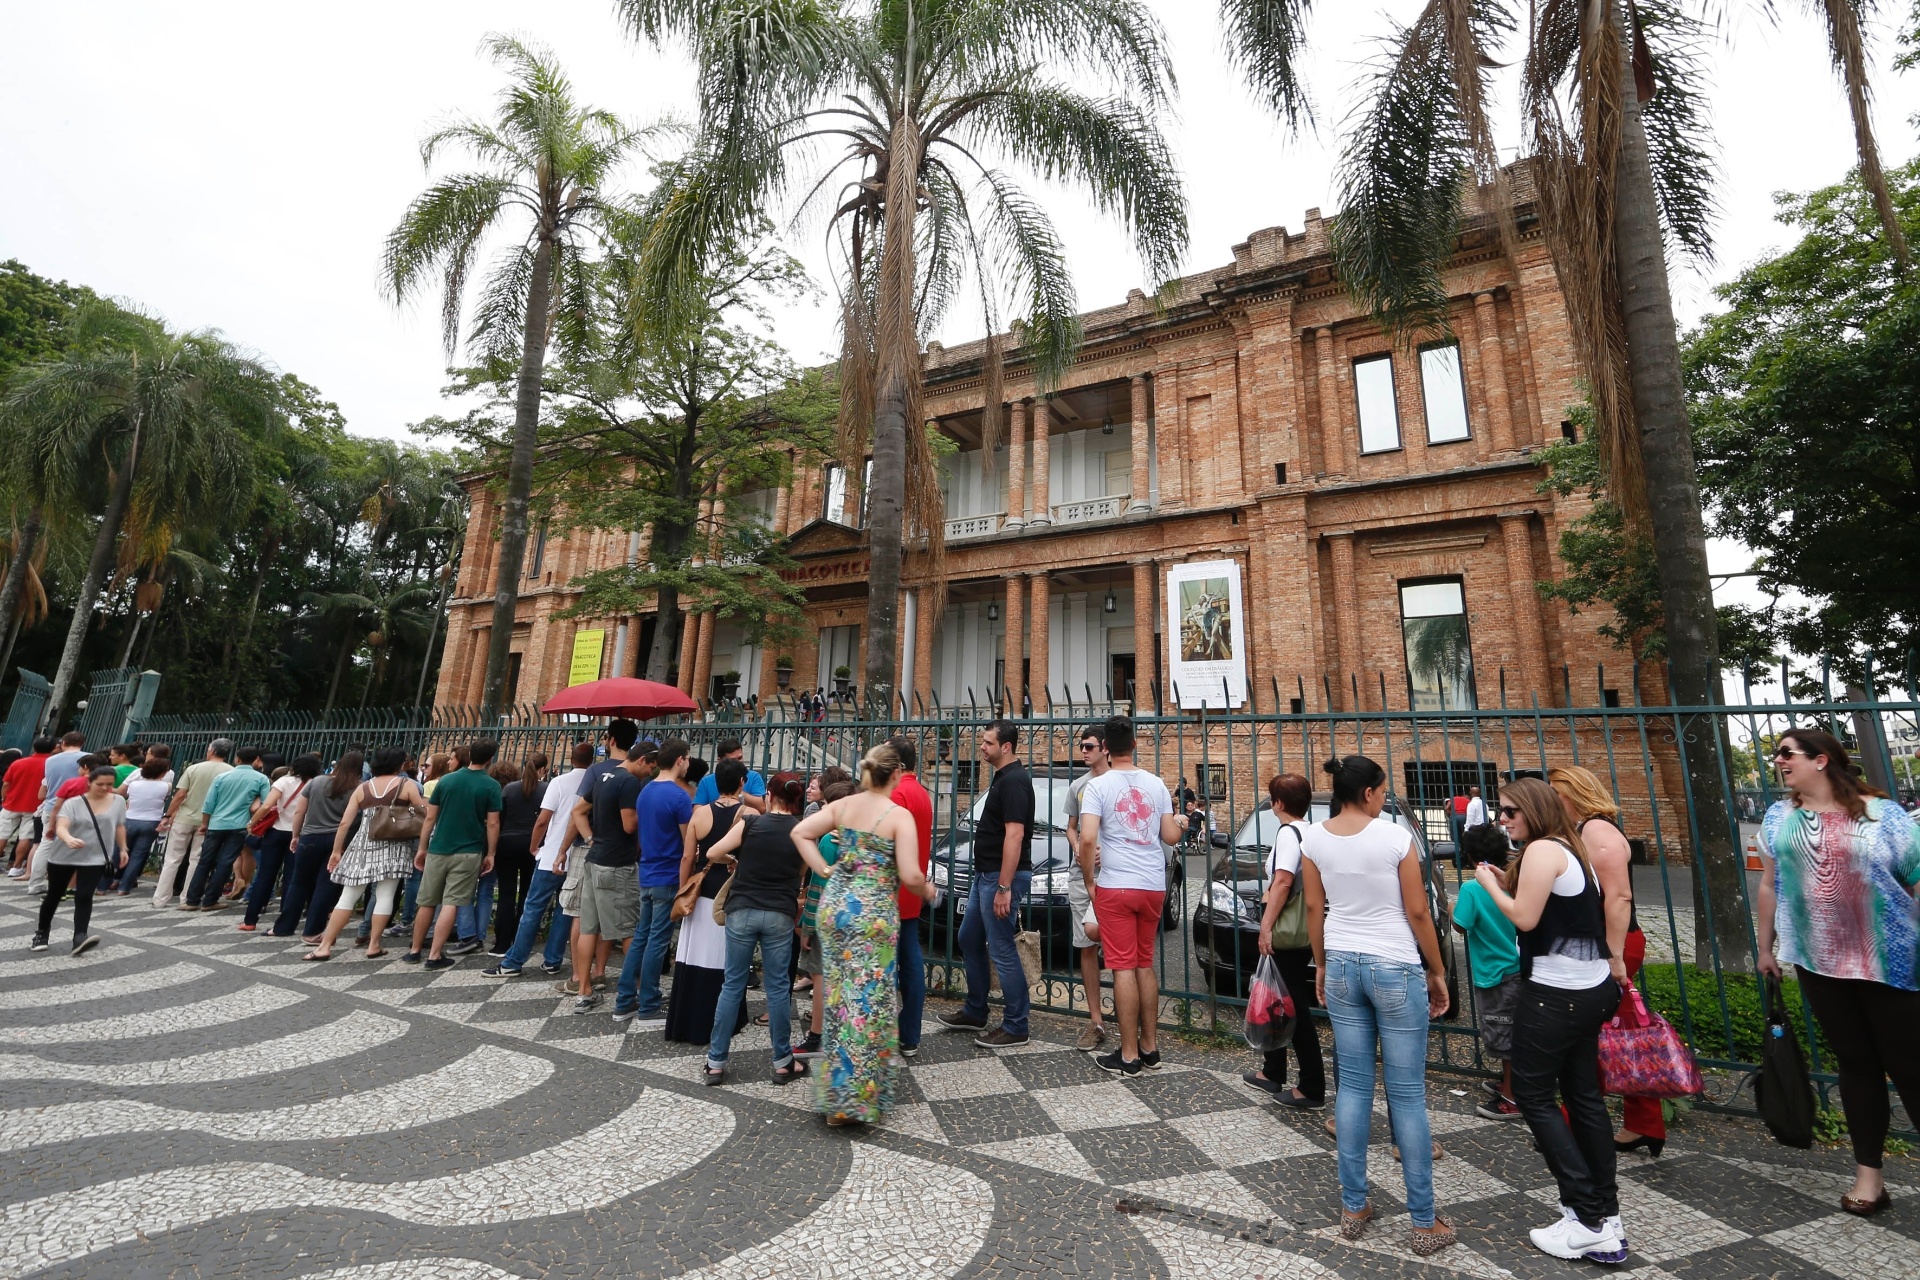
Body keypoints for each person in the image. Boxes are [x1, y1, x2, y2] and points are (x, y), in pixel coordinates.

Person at [1756, 727, 1920, 1218]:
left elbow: (1916, 880)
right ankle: (1870, 1177)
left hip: (1891, 961)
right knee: (1856, 1065)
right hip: (1819, 960)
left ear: (1821, 759)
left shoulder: (1882, 814)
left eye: (1786, 753)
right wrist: (1765, 947)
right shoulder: (1779, 817)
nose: (1778, 761)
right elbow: (1769, 885)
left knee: (1912, 1069)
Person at [1303, 754, 1455, 1256]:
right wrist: (1437, 969)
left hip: (1342, 963)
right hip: (1394, 964)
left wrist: (1321, 964)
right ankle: (1424, 1223)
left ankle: (1354, 1206)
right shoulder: (1394, 836)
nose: (1385, 798)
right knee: (1406, 1095)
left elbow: (1314, 906)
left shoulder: (1314, 838)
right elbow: (1418, 910)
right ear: (1368, 792)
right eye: (1383, 791)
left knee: (1352, 1086)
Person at [1475, 776, 1624, 1262]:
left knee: (1533, 1096)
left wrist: (1488, 885)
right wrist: (1505, 880)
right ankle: (1605, 1215)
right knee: (1584, 1098)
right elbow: (1555, 904)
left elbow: (1524, 918)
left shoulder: (1542, 849)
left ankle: (1587, 1217)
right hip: (1590, 987)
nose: (1502, 820)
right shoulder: (1569, 846)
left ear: (1534, 811)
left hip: (1556, 995)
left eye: (1509, 811)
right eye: (1500, 811)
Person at [792, 742, 933, 1125]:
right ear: (896, 773)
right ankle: (853, 1101)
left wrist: (825, 870)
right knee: (868, 1003)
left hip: (836, 908)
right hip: (872, 916)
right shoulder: (897, 815)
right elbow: (911, 875)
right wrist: (928, 890)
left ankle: (836, 1094)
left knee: (840, 999)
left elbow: (801, 833)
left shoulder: (844, 806)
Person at [1548, 765, 1651, 1153]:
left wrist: (1612, 955)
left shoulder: (1596, 830)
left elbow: (1619, 897)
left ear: (1573, 794)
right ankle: (1644, 1121)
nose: (1550, 800)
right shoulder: (1585, 829)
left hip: (1613, 945)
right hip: (1606, 943)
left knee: (1588, 1033)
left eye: (1555, 793)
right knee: (1619, 1031)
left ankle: (1574, 1121)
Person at [1079, 715, 1187, 1076]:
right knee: (1144, 963)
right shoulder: (1156, 784)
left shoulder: (1098, 786)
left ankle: (1128, 1055)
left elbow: (1087, 838)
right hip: (1152, 885)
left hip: (1117, 884)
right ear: (1135, 744)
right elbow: (1169, 836)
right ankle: (1150, 1048)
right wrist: (1181, 823)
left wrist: (1090, 880)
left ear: (1105, 747)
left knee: (1122, 966)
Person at [699, 771, 810, 1083]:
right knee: (777, 988)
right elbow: (801, 872)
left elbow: (712, 853)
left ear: (770, 796)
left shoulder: (750, 824)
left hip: (742, 908)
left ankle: (715, 1062)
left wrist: (736, 859)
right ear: (796, 800)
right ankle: (783, 1061)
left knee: (732, 984)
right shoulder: (802, 831)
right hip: (779, 913)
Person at [938, 719, 1036, 1048]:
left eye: (988, 742)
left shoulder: (1015, 782)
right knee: (968, 937)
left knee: (1002, 948)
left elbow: (1015, 835)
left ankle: (1016, 1025)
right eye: (982, 741)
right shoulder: (1002, 778)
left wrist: (1004, 887)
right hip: (986, 875)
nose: (981, 746)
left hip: (1000, 878)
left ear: (1006, 747)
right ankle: (976, 1011)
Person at [1244, 772, 1325, 1110]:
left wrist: (1266, 927)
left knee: (1292, 1005)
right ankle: (1272, 1070)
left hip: (1286, 930)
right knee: (1276, 997)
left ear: (1278, 803)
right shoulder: (1311, 831)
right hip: (1303, 928)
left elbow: (1282, 882)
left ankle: (1312, 1085)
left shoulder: (1288, 834)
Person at [304, 747, 424, 962]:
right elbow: (422, 813)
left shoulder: (363, 787)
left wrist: (336, 851)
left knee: (348, 896)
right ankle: (374, 944)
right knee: (385, 895)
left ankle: (324, 946)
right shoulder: (407, 785)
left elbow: (345, 823)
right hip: (395, 845)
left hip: (362, 844)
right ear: (400, 764)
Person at [486, 742, 592, 979]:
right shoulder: (594, 781)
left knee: (533, 907)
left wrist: (534, 846)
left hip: (552, 853)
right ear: (591, 761)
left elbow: (543, 820)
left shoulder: (559, 782)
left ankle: (514, 961)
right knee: (565, 909)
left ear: (571, 759)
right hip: (577, 857)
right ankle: (553, 959)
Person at [665, 758, 751, 1045]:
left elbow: (687, 857)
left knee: (694, 956)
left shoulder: (699, 814)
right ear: (742, 783)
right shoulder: (750, 814)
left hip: (701, 890)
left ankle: (687, 1019)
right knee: (725, 957)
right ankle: (724, 1019)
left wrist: (684, 889)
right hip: (732, 891)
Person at [570, 738, 655, 1012]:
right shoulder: (629, 782)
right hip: (617, 865)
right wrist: (650, 814)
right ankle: (637, 990)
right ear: (641, 760)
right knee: (628, 929)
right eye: (650, 767)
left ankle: (584, 991)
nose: (649, 773)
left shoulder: (604, 775)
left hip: (594, 860)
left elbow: (578, 811)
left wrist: (590, 838)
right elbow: (629, 825)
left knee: (589, 929)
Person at [612, 739, 693, 1022]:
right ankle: (648, 1003)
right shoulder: (679, 796)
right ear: (680, 760)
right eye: (687, 759)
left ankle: (625, 999)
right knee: (658, 941)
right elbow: (688, 842)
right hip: (668, 874)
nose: (688, 763)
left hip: (647, 871)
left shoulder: (645, 790)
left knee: (641, 937)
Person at [408, 739, 502, 969]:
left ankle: (414, 950)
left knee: (427, 901)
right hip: (468, 851)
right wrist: (491, 853)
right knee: (452, 901)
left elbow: (430, 817)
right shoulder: (491, 786)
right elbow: (492, 823)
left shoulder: (447, 780)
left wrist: (422, 848)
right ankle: (434, 955)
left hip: (439, 848)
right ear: (490, 759)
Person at [1452, 821, 1523, 1120]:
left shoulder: (1472, 888)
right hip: (1519, 967)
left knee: (1504, 1036)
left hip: (1494, 972)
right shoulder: (1514, 883)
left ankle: (1512, 1098)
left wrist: (1451, 909)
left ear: (1469, 856)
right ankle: (1510, 1083)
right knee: (1515, 1030)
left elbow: (1460, 925)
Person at [32, 765, 127, 955]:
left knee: (84, 895)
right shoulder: (73, 803)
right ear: (89, 782)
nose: (105, 788)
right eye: (100, 784)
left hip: (96, 856)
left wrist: (123, 848)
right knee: (54, 895)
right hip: (64, 855)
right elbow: (61, 826)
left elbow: (119, 826)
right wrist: (68, 839)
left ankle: (80, 937)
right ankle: (42, 933)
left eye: (109, 784)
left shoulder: (118, 801)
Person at [795, 778, 856, 1056]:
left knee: (820, 979)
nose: (821, 810)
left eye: (826, 806)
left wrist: (806, 926)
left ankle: (817, 1036)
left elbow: (818, 890)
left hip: (828, 921)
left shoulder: (829, 842)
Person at [1063, 725, 1113, 1052]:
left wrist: (1105, 851)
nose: (1083, 751)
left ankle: (1129, 1013)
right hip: (1082, 874)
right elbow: (1070, 827)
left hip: (1113, 874)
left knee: (1119, 946)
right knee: (1085, 946)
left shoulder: (1117, 783)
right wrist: (1079, 845)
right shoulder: (1077, 786)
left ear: (1105, 748)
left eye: (1089, 746)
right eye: (1081, 746)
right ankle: (1096, 1021)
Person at [276, 750, 362, 939]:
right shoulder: (358, 787)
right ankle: (312, 931)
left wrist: (295, 835)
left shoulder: (316, 781)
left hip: (310, 837)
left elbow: (300, 811)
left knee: (299, 882)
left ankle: (283, 927)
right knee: (325, 885)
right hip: (337, 840)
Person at [886, 735, 934, 1057]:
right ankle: (910, 1034)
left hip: (892, 887)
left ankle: (887, 1031)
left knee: (887, 965)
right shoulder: (920, 793)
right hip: (913, 886)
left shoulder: (898, 793)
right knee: (911, 960)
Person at [183, 746, 270, 911]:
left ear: (237, 759)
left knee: (205, 861)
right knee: (225, 862)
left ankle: (192, 900)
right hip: (240, 825)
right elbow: (265, 804)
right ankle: (210, 900)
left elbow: (209, 803)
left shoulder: (222, 777)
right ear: (256, 760)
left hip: (216, 824)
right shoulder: (261, 779)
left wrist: (205, 823)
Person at [239, 754, 317, 931]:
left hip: (276, 832)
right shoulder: (315, 784)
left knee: (265, 875)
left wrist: (252, 823)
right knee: (292, 877)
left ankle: (250, 920)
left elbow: (267, 806)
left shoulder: (283, 781)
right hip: (299, 834)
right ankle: (285, 918)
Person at [153, 740, 233, 907]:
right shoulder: (230, 772)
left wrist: (168, 815)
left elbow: (180, 794)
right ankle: (187, 898)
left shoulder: (193, 768)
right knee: (196, 860)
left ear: (211, 750)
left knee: (172, 859)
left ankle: (160, 898)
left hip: (184, 818)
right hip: (209, 820)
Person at [453, 759, 518, 952]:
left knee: (465, 890)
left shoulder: (487, 790)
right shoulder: (513, 793)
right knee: (486, 891)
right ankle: (480, 935)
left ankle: (468, 934)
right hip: (499, 846)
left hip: (477, 843)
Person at [490, 752, 548, 955]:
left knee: (506, 894)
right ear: (543, 769)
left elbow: (500, 817)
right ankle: (520, 940)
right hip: (533, 844)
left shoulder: (509, 789)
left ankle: (501, 942)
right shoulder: (546, 789)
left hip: (507, 842)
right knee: (526, 894)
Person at [111, 753, 175, 896]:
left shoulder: (134, 784)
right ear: (162, 773)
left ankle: (111, 880)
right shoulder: (167, 786)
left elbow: (127, 796)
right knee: (138, 855)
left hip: (129, 819)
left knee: (121, 850)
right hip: (151, 821)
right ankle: (124, 887)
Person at [3, 736, 52, 877]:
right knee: (25, 837)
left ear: (34, 747)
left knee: (2, 834)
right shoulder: (50, 765)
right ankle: (16, 867)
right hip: (33, 806)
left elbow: (6, 783)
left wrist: (4, 798)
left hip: (11, 803)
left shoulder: (18, 763)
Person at [693, 738, 767, 813]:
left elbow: (763, 808)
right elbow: (697, 811)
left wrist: (737, 790)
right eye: (733, 760)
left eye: (740, 758)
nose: (738, 763)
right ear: (719, 761)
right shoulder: (706, 782)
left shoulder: (753, 777)